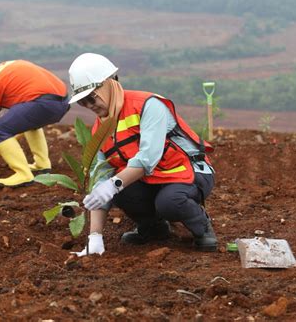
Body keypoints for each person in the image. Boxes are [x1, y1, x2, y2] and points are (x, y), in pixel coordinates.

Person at [68, 53, 218, 256]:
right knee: (117, 189)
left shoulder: (148, 105)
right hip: (151, 180)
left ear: (108, 83)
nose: (89, 106)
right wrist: (94, 236)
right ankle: (154, 228)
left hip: (187, 172)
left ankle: (202, 226)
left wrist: (112, 185)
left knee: (168, 202)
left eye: (91, 98)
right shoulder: (100, 129)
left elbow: (147, 158)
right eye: (82, 103)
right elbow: (101, 177)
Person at [0, 58, 69, 188]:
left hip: (44, 103)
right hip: (62, 102)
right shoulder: (8, 67)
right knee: (29, 124)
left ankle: (23, 175)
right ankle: (42, 165)